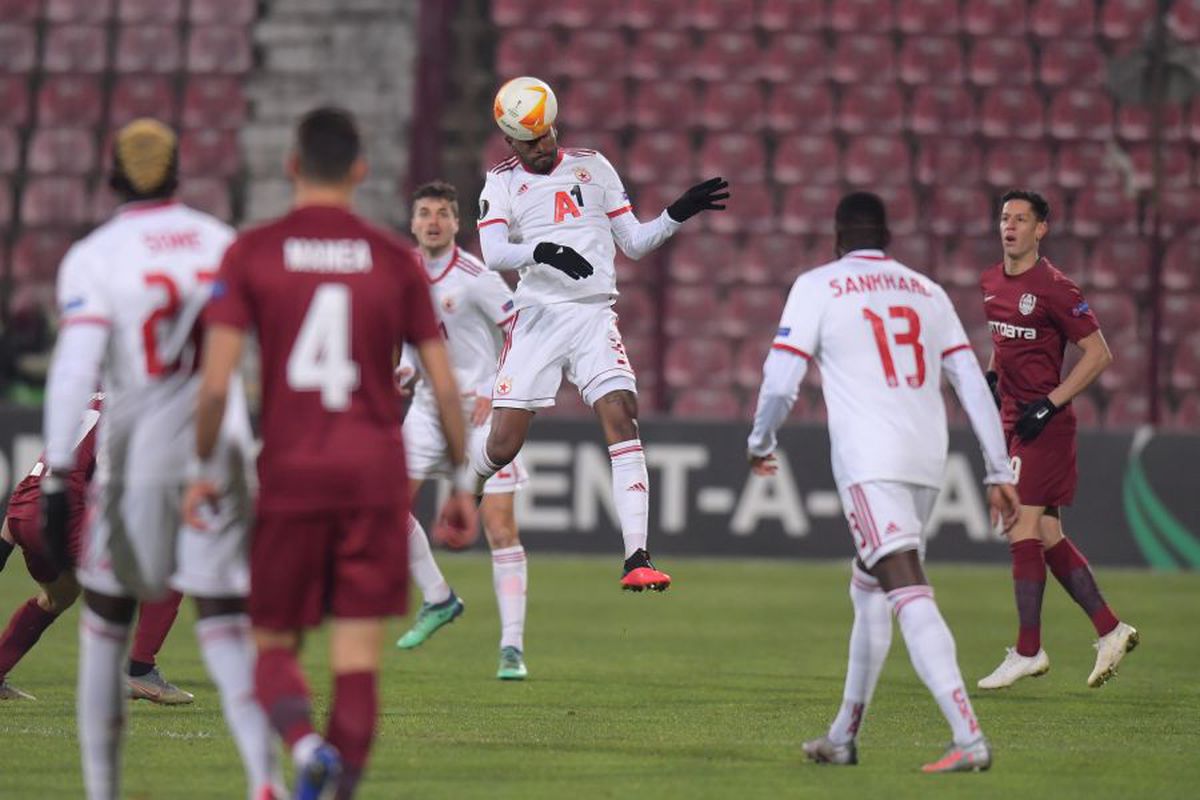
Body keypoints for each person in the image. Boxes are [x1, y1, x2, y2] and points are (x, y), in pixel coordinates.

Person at [187, 107, 477, 799]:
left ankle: (304, 744)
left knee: (273, 646)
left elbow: (216, 383)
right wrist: (463, 483)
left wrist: (202, 471)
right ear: (359, 171)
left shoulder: (252, 251)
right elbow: (442, 385)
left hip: (291, 474)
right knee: (357, 662)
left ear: (291, 165)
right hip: (374, 477)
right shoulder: (392, 262)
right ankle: (336, 783)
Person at [40, 119, 279, 799]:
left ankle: (100, 787)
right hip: (220, 458)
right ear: (179, 174)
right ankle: (265, 779)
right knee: (229, 622)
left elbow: (73, 367)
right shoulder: (220, 242)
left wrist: (59, 474)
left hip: (137, 465)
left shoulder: (96, 255)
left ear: (110, 176)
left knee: (105, 627)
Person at [746, 192, 1021, 772]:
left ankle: (968, 737)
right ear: (888, 237)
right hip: (926, 459)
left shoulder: (819, 284)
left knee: (906, 588)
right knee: (869, 584)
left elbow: (779, 382)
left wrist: (761, 441)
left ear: (837, 237)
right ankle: (843, 736)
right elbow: (972, 384)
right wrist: (998, 469)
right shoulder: (928, 291)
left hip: (870, 461)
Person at [468, 76, 729, 590]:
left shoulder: (593, 165)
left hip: (592, 316)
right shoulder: (499, 182)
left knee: (622, 415)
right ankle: (467, 481)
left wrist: (678, 212)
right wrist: (541, 251)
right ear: (509, 142)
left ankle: (637, 558)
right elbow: (494, 253)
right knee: (503, 445)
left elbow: (633, 242)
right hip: (538, 316)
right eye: (531, 140)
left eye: (546, 134)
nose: (543, 146)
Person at [976, 189, 1138, 690]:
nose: (1011, 226)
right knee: (1045, 534)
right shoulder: (990, 282)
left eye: (1021, 219)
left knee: (1019, 526)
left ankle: (1029, 650)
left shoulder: (1056, 288)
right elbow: (1001, 344)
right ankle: (1111, 629)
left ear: (1041, 229)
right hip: (1011, 421)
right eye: (1005, 217)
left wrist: (1051, 402)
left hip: (1044, 425)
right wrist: (987, 380)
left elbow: (1098, 353)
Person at [391, 180, 533, 680]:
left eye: (442, 214)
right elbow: (411, 332)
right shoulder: (402, 273)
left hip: (479, 413)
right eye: (424, 212)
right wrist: (406, 364)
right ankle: (438, 598)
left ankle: (511, 648)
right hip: (429, 408)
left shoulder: (477, 276)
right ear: (412, 223)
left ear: (457, 224)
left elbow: (521, 329)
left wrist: (497, 387)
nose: (433, 221)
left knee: (498, 525)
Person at [0, 399, 191, 705]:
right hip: (65, 515)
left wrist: (6, 542)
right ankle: (140, 668)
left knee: (58, 596)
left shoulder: (87, 401)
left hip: (22, 511)